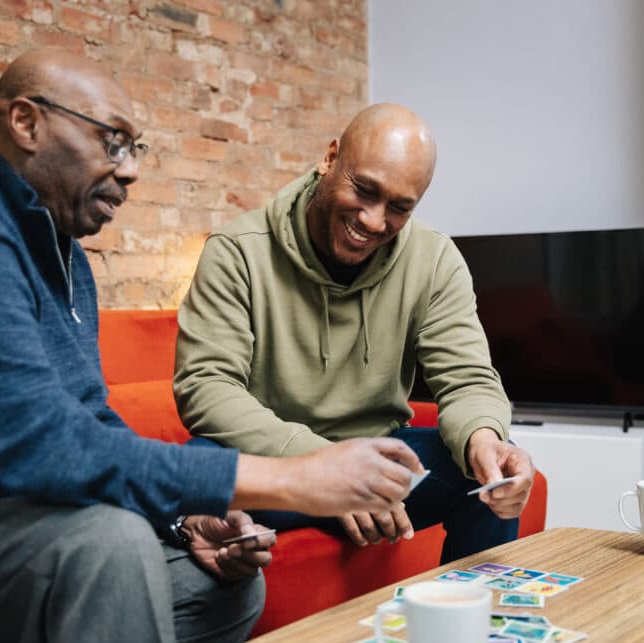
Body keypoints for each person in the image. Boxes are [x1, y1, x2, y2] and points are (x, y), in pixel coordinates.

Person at [0, 52, 424, 643]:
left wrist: (185, 517)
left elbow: (90, 422)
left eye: (137, 149)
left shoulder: (66, 258)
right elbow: (43, 449)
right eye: (112, 143)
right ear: (26, 123)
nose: (130, 172)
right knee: (106, 545)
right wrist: (295, 477)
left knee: (222, 584)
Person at [174, 103, 536, 563]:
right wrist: (325, 469)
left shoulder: (435, 260)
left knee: (486, 469)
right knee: (195, 468)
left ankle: (467, 626)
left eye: (399, 208)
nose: (373, 220)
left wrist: (485, 439)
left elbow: (468, 379)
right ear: (330, 158)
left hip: (380, 468)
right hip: (277, 469)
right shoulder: (236, 252)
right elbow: (206, 387)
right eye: (364, 190)